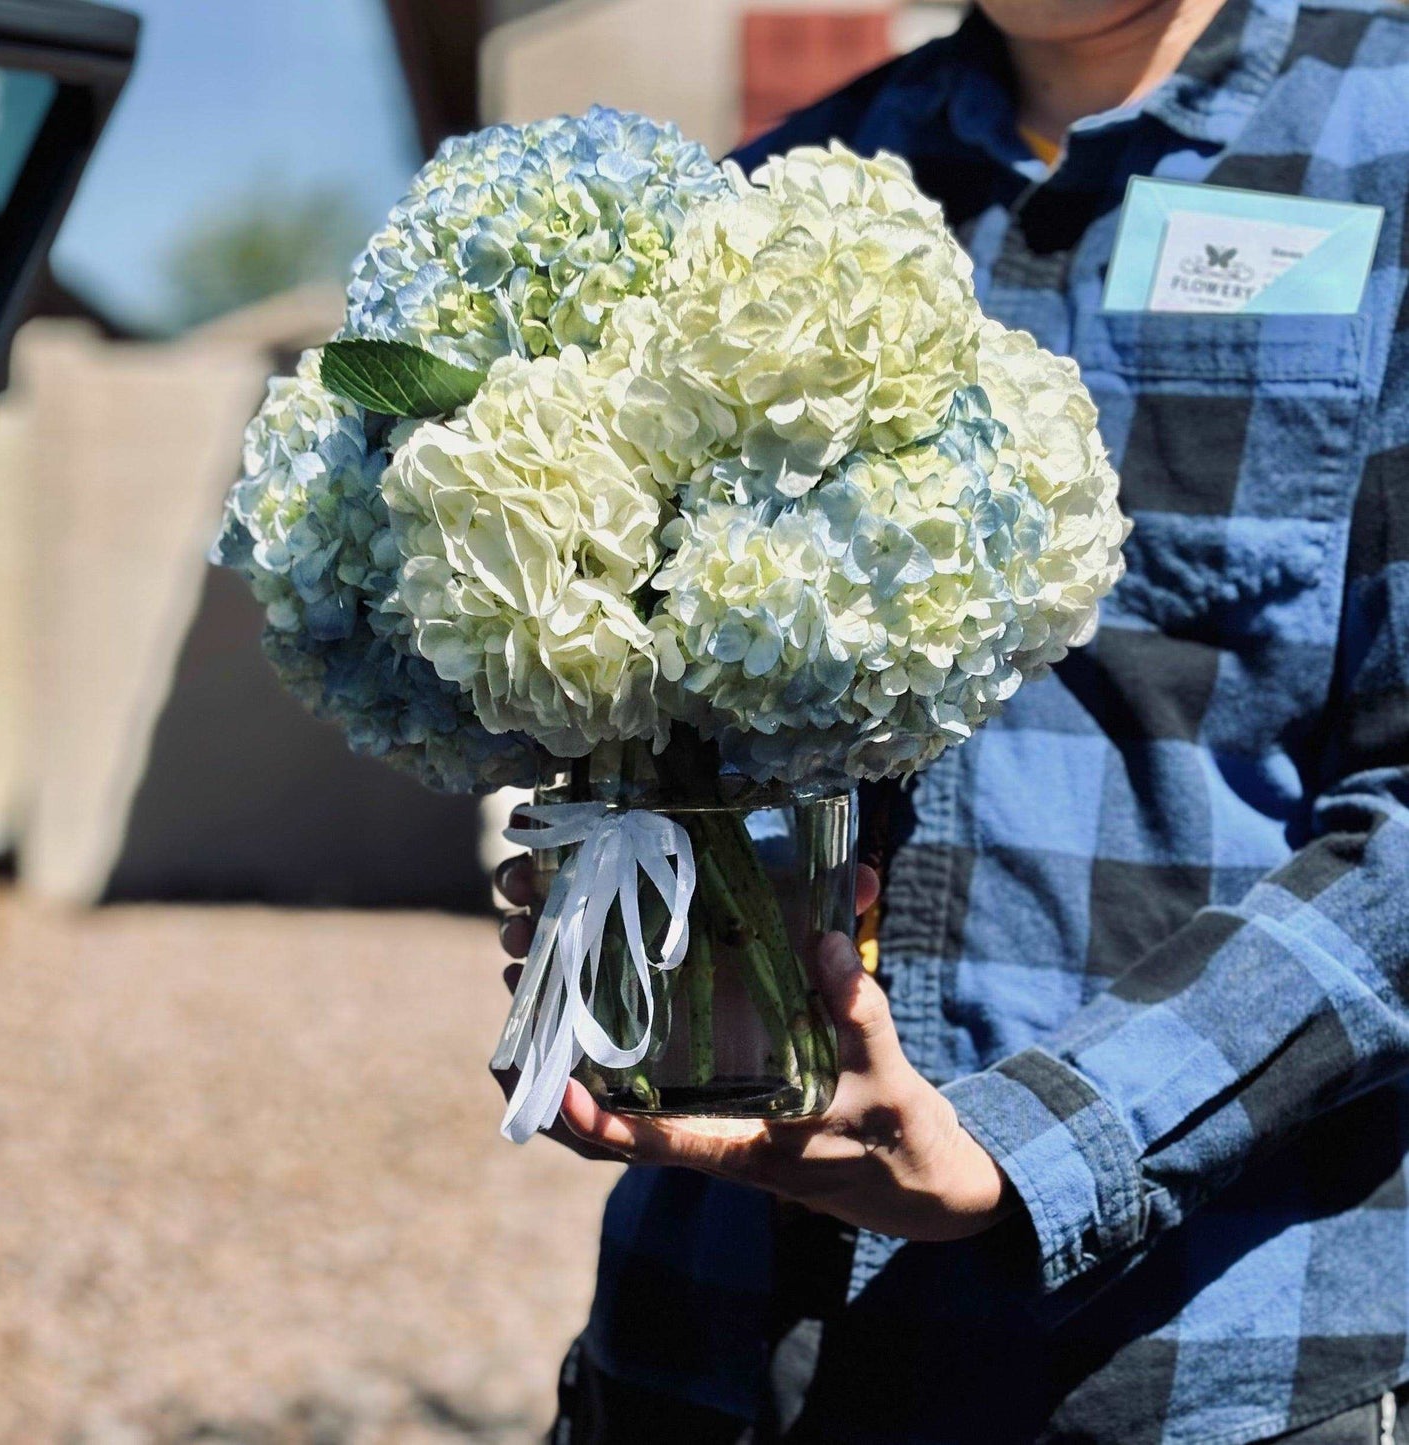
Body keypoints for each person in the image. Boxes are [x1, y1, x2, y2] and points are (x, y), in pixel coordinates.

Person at [495, 1, 1409, 1439]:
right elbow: (651, 710)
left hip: (1182, 1373)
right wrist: (611, 872)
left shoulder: (1389, 149)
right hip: (710, 1345)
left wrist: (1033, 1140)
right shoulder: (766, 197)